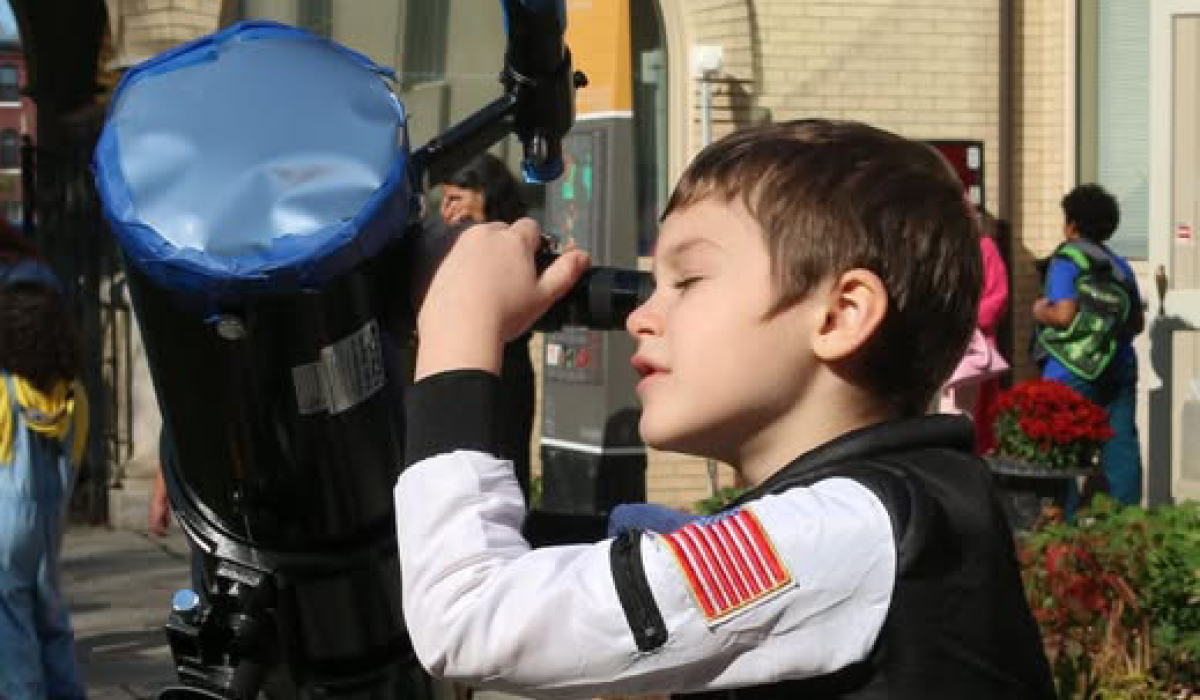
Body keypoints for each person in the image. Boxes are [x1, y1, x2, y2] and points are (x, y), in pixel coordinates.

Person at [395, 119, 1055, 699]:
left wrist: (458, 329)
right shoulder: (891, 509)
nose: (643, 317)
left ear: (841, 313)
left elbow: (470, 618)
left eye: (687, 281)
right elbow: (628, 551)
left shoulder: (846, 531)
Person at [0, 224, 89, 700]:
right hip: (50, 513)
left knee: (8, 620)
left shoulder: (2, 392)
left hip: (5, 516)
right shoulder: (73, 398)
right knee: (49, 611)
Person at [1033, 183, 1144, 506]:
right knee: (1121, 446)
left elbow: (1064, 314)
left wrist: (1039, 309)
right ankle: (1126, 527)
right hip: (1120, 365)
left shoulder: (1068, 259)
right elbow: (1135, 323)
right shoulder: (1119, 266)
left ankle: (1061, 529)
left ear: (1072, 225)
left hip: (1071, 368)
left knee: (1060, 446)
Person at [436, 153, 537, 499]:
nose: (446, 211)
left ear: (486, 194)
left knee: (504, 470)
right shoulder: (444, 242)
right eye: (443, 200)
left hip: (506, 375)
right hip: (457, 375)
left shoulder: (518, 241)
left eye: (456, 199)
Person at [938, 213, 1010, 453]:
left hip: (972, 353)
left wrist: (961, 319)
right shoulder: (939, 250)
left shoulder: (984, 248)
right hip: (944, 347)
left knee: (970, 420)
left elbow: (996, 299)